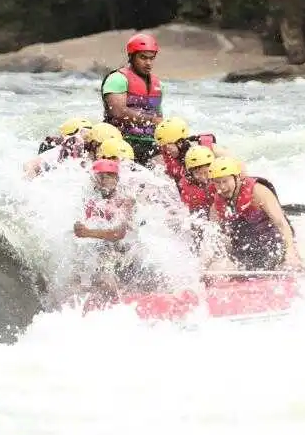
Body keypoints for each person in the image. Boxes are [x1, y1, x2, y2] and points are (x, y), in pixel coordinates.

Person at [73, 158, 157, 299]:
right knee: (82, 278)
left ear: (117, 179)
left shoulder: (126, 200)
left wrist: (87, 232)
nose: (106, 181)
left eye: (110, 177)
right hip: (105, 250)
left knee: (149, 276)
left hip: (128, 251)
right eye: (102, 177)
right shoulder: (91, 201)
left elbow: (118, 233)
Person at [206, 156, 304, 272]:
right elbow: (218, 237)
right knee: (216, 265)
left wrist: (290, 251)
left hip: (273, 242)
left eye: (225, 181)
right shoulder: (215, 207)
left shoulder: (258, 192)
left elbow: (281, 223)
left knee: (295, 263)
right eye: (217, 182)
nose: (222, 187)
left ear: (237, 178)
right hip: (245, 249)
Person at [100, 33, 164, 166]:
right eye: (143, 58)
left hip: (148, 142)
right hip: (120, 139)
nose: (148, 63)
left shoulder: (157, 85)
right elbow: (118, 112)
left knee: (162, 169)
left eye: (152, 58)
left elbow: (159, 117)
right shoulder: (117, 79)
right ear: (131, 56)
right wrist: (151, 119)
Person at [151, 116, 234, 178]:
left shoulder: (210, 149)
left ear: (180, 141)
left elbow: (238, 169)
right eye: (164, 146)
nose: (166, 148)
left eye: (169, 144)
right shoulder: (165, 158)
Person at [24, 116, 93, 179]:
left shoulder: (91, 153)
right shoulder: (57, 152)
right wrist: (30, 175)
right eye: (85, 134)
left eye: (91, 133)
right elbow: (30, 164)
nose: (89, 139)